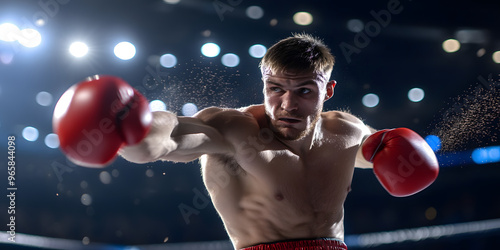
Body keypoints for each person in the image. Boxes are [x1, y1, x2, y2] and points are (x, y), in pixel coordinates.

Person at [53, 33, 439, 249]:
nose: (287, 104)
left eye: (304, 91)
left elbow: (382, 155)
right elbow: (161, 144)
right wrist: (133, 126)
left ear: (329, 91)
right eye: (275, 89)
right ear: (263, 85)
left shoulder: (347, 132)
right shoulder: (234, 131)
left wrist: (398, 149)